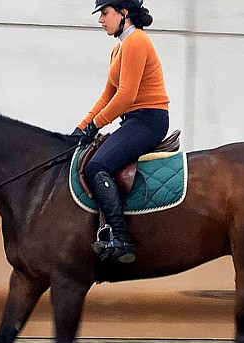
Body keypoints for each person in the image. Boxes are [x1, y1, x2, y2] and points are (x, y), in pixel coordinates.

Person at [73, 0, 170, 264]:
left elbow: (126, 96)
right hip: (134, 121)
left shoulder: (137, 41)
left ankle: (120, 237)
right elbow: (108, 95)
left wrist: (97, 124)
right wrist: (83, 126)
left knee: (96, 167)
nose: (100, 20)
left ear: (124, 12)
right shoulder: (119, 49)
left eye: (105, 13)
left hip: (149, 120)